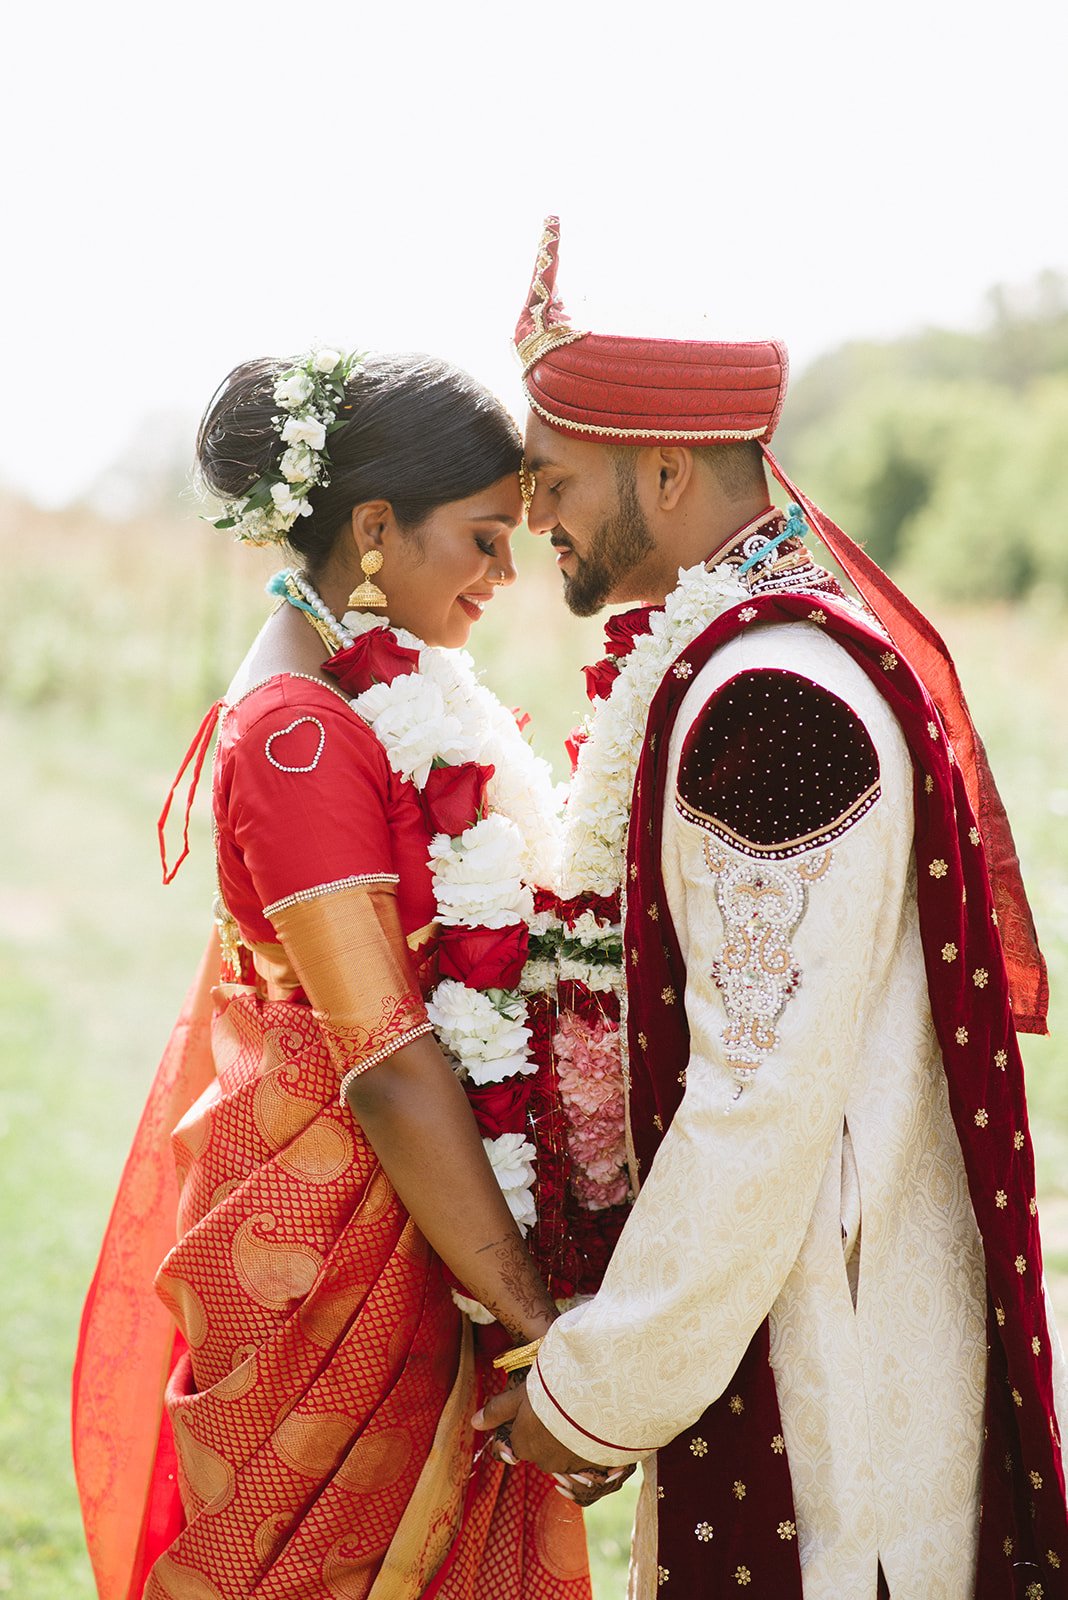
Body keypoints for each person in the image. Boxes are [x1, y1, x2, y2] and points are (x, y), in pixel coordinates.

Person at [476, 219, 1068, 1599]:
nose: (537, 518)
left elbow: (759, 1096)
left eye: (554, 481)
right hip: (797, 1313)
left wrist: (597, 1388)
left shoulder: (775, 704)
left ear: (667, 467)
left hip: (829, 1361)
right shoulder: (740, 664)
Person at [72, 347, 611, 1600]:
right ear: (374, 527)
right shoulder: (304, 731)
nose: (505, 571)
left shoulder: (367, 682)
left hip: (406, 1195)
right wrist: (541, 1335)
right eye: (483, 536)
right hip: (339, 1228)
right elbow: (384, 1062)